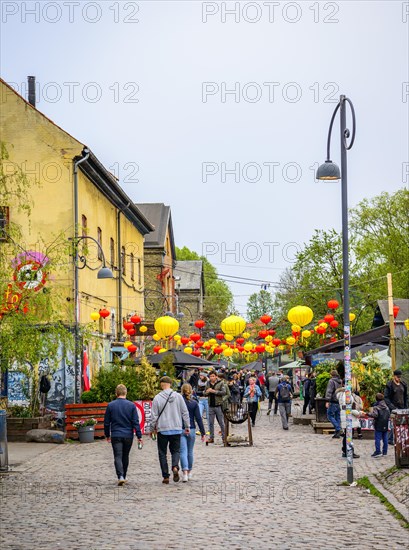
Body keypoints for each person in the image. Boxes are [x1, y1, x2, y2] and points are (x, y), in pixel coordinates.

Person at [149, 376, 190, 484]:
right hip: (176, 428)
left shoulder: (157, 398)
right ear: (170, 384)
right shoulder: (178, 397)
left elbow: (154, 416)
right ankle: (175, 467)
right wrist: (187, 426)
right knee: (175, 451)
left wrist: (151, 428)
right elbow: (184, 412)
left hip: (162, 429)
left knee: (162, 452)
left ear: (162, 384)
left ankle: (166, 476)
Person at [104, 384, 143, 486]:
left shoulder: (111, 405)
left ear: (116, 393)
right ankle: (124, 476)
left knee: (117, 455)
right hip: (128, 435)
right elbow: (135, 422)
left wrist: (107, 435)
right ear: (126, 393)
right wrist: (139, 436)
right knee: (125, 456)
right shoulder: (131, 405)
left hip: (116, 434)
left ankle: (120, 476)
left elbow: (107, 422)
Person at [180, 384, 206, 482]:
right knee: (190, 451)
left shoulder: (179, 402)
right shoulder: (194, 403)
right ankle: (190, 471)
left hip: (181, 428)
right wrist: (203, 432)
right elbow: (198, 418)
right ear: (191, 391)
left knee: (183, 451)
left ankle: (185, 473)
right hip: (191, 428)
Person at [336, 385, 361, 459]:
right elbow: (348, 407)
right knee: (349, 435)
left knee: (347, 435)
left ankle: (345, 451)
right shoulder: (346, 395)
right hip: (348, 417)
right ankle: (349, 451)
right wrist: (357, 413)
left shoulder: (341, 394)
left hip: (345, 416)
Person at [384, 369, 408, 445]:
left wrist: (406, 407)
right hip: (393, 408)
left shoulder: (403, 384)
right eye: (397, 377)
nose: (399, 378)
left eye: (400, 377)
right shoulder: (389, 385)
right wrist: (392, 407)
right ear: (394, 376)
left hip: (402, 408)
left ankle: (400, 438)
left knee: (402, 423)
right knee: (393, 423)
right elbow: (386, 397)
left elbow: (406, 396)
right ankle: (390, 439)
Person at [366, 392, 391, 458]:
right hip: (385, 423)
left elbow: (375, 415)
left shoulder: (376, 407)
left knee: (377, 438)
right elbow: (389, 415)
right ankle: (385, 452)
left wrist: (367, 414)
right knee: (385, 438)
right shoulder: (386, 407)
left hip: (378, 424)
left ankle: (378, 452)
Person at [205, 371, 226, 443]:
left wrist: (214, 391)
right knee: (210, 422)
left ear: (216, 376)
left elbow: (224, 392)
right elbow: (204, 393)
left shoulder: (221, 383)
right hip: (211, 405)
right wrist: (207, 392)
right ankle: (211, 437)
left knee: (221, 422)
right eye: (210, 376)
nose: (212, 378)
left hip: (218, 405)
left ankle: (224, 437)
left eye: (213, 376)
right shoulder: (208, 383)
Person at [325, 370, 342, 438]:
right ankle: (337, 432)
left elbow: (329, 391)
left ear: (331, 375)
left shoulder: (331, 381)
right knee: (337, 416)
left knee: (330, 416)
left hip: (333, 401)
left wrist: (327, 401)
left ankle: (338, 429)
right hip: (339, 400)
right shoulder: (340, 381)